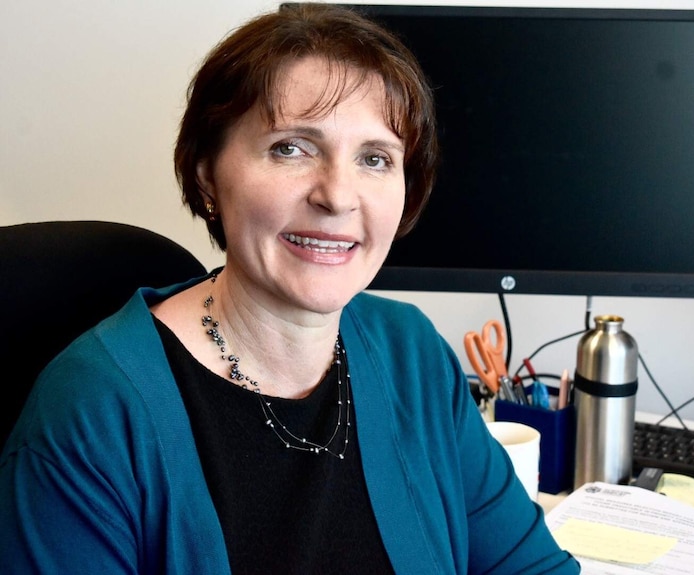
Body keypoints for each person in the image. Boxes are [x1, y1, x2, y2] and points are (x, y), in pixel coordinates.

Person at [0, 3, 579, 574]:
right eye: (291, 148)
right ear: (207, 174)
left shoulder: (411, 353)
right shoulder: (90, 417)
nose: (338, 195)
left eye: (375, 159)